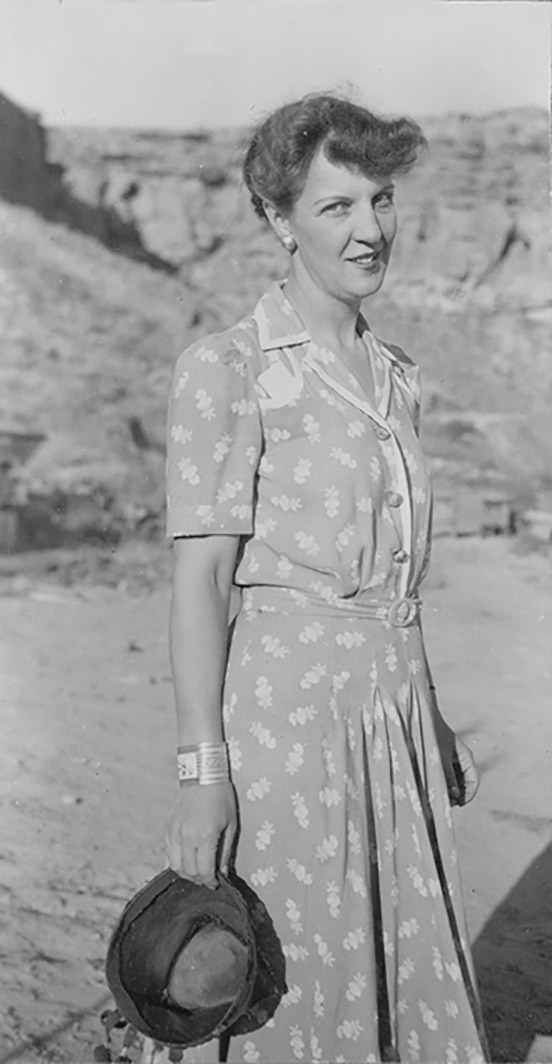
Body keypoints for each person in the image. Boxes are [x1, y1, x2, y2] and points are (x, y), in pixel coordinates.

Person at [163, 92, 488, 1064]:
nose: (369, 230)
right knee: (299, 982)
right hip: (290, 726)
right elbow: (200, 583)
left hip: (389, 722)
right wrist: (203, 774)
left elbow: (400, 577)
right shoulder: (231, 367)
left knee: (391, 973)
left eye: (380, 200)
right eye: (337, 207)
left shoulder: (399, 377)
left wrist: (427, 717)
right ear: (280, 220)